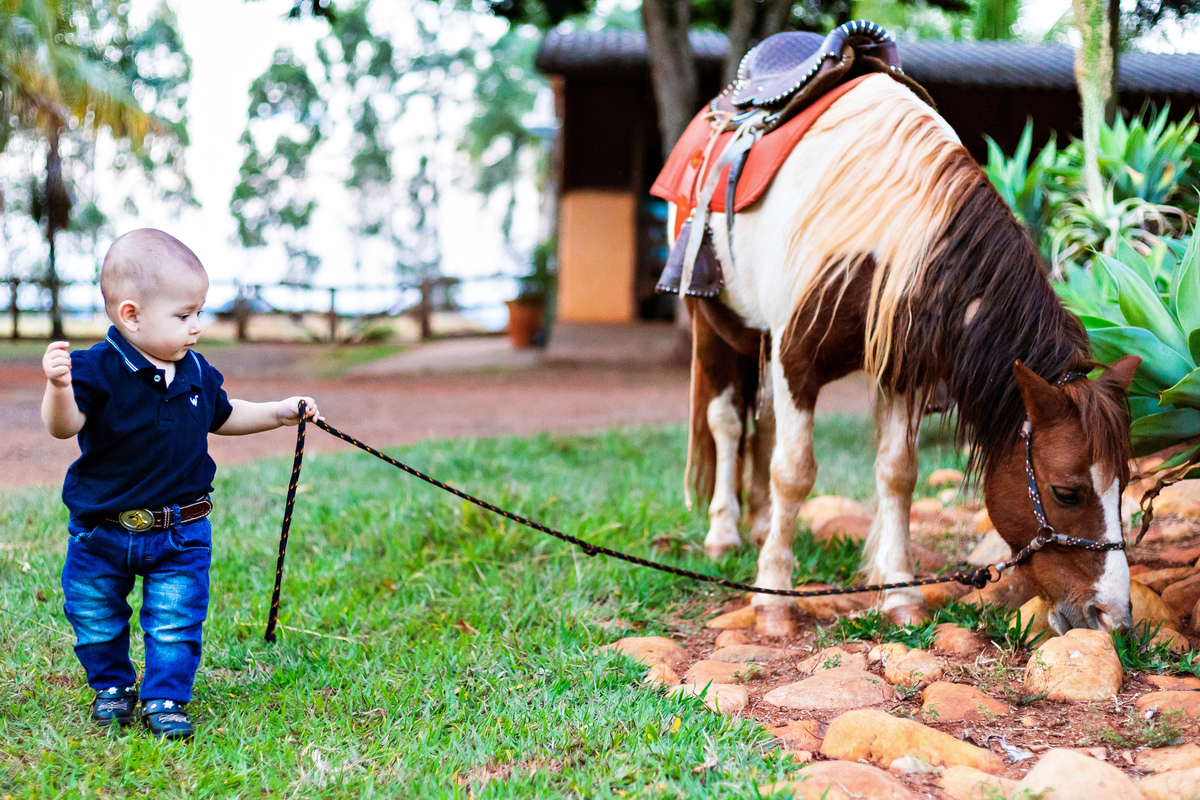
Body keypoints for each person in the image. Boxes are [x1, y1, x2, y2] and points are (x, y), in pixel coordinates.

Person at [40, 228, 321, 740]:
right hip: (101, 530)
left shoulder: (195, 371)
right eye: (184, 315)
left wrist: (279, 413)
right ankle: (112, 687)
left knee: (175, 619)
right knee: (94, 614)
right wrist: (59, 388)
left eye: (199, 313)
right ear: (131, 315)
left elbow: (226, 414)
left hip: (181, 530)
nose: (197, 327)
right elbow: (65, 426)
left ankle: (165, 697)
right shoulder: (94, 369)